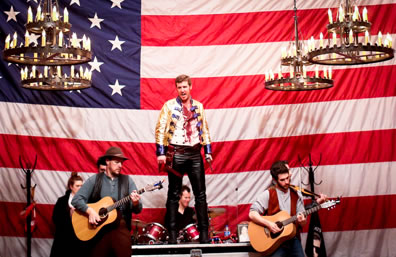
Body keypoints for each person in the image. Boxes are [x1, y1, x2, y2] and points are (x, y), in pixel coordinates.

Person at [155, 74, 212, 244]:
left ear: (190, 87)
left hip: (195, 153)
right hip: (176, 153)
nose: (182, 90)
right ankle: (172, 234)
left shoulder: (199, 106)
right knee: (173, 194)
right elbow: (160, 129)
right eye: (179, 87)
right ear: (176, 89)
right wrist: (160, 152)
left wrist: (208, 150)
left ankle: (203, 233)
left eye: (185, 87)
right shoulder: (169, 106)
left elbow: (205, 130)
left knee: (200, 194)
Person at [72, 146, 142, 257]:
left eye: (121, 163)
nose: (120, 165)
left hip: (120, 229)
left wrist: (135, 202)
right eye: (116, 162)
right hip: (98, 231)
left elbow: (138, 209)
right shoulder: (95, 179)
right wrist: (90, 211)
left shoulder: (127, 181)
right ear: (107, 161)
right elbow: (76, 200)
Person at [249, 160, 327, 257]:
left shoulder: (296, 194)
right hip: (275, 241)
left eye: (287, 178)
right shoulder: (268, 194)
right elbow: (252, 214)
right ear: (275, 180)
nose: (286, 182)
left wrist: (302, 220)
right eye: (282, 180)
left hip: (292, 239)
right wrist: (269, 224)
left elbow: (303, 222)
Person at [50, 172, 84, 257]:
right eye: (77, 186)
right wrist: (69, 215)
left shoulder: (87, 201)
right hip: (63, 239)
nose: (80, 188)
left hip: (80, 239)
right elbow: (55, 219)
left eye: (81, 186)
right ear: (71, 187)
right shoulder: (62, 201)